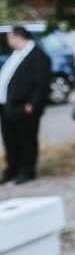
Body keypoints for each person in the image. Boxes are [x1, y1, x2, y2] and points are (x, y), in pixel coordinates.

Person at [0, 26, 51, 185]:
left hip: (24, 106)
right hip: (7, 105)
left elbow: (41, 84)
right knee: (10, 140)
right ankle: (12, 169)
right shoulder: (16, 55)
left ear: (17, 36)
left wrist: (32, 104)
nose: (8, 42)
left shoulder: (38, 56)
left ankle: (27, 171)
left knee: (26, 139)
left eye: (9, 38)